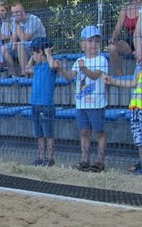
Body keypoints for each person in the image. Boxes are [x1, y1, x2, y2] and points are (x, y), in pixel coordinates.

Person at [58, 26, 108, 172]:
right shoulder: (79, 61)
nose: (94, 44)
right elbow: (69, 77)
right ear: (82, 44)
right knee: (84, 132)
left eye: (97, 41)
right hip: (81, 103)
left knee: (99, 132)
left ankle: (100, 161)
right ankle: (84, 160)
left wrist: (84, 68)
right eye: (90, 40)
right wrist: (60, 68)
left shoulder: (102, 59)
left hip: (97, 104)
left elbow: (94, 75)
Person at [24, 36, 60, 166]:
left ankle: (50, 158)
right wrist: (32, 58)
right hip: (35, 104)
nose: (33, 57)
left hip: (46, 105)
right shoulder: (37, 67)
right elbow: (26, 70)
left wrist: (48, 53)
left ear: (42, 53)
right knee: (39, 133)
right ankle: (41, 157)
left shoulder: (52, 64)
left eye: (34, 54)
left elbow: (51, 65)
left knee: (48, 133)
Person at [103, 64, 142, 174]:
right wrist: (113, 81)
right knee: (139, 141)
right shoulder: (139, 69)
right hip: (135, 109)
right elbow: (133, 83)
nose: (134, 53)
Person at [5, 2, 46, 77]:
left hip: (39, 46)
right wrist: (13, 43)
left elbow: (24, 39)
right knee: (3, 48)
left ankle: (24, 74)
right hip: (26, 47)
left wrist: (17, 25)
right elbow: (14, 37)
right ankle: (12, 74)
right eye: (13, 13)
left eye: (17, 12)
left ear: (23, 10)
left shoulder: (33, 20)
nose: (15, 15)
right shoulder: (15, 20)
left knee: (20, 44)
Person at [108, 0, 141, 74]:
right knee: (112, 48)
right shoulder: (124, 10)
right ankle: (120, 76)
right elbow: (118, 29)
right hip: (129, 41)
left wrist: (139, 48)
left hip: (141, 40)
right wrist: (113, 37)